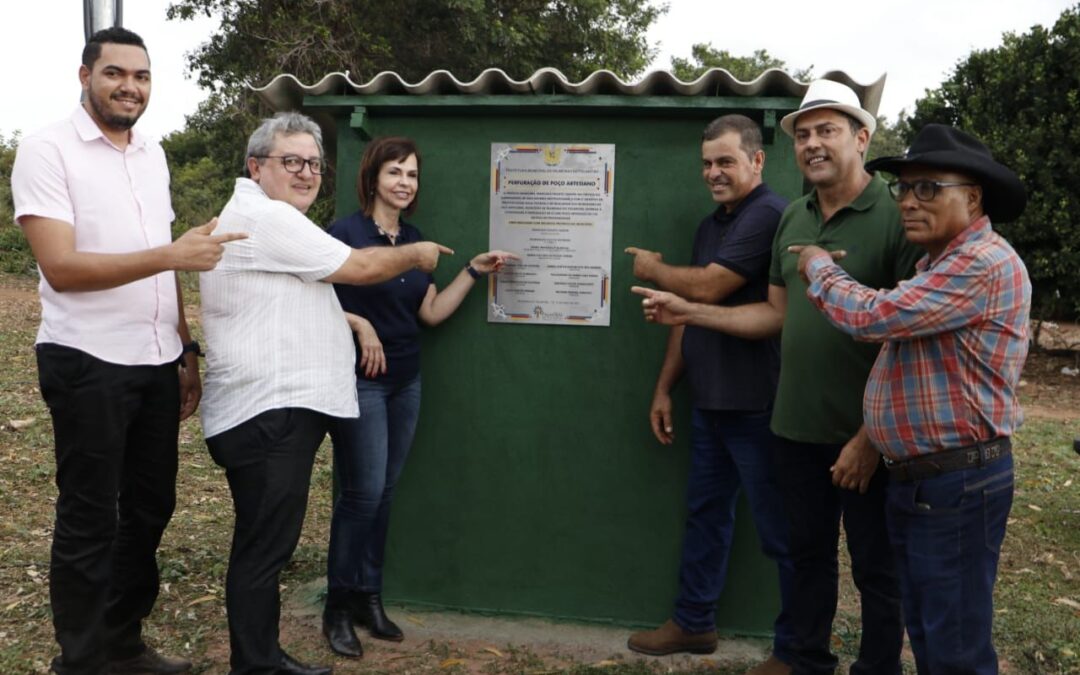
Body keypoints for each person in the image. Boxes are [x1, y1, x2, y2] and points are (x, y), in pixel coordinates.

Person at [633, 79, 922, 675]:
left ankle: (877, 667)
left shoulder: (896, 215)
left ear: (862, 138)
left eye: (828, 130)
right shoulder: (794, 217)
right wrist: (691, 313)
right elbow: (775, 315)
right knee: (809, 554)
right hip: (794, 425)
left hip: (867, 432)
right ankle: (801, 657)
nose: (814, 144)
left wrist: (870, 436)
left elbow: (909, 335)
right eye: (806, 133)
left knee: (875, 566)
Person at [10, 27, 245, 675]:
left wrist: (184, 346)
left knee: (149, 507)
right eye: (115, 73)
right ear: (84, 76)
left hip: (154, 360)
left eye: (141, 76)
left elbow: (162, 252)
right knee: (89, 516)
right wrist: (172, 254)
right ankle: (80, 661)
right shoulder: (47, 150)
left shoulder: (151, 154)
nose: (129, 87)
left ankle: (123, 642)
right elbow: (61, 267)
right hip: (85, 360)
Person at [199, 114, 452, 675]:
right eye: (292, 161)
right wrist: (416, 255)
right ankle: (258, 663)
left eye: (313, 163)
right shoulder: (269, 219)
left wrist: (356, 325)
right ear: (256, 166)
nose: (307, 173)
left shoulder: (266, 217)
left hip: (272, 410)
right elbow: (358, 268)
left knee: (267, 544)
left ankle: (259, 656)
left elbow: (306, 295)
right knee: (265, 549)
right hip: (268, 413)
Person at [792, 124, 1030, 675]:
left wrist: (818, 264)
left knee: (954, 648)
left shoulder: (981, 264)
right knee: (929, 630)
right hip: (930, 480)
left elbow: (873, 317)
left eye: (929, 188)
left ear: (971, 199)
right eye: (904, 189)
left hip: (956, 484)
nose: (909, 201)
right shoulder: (936, 266)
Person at [320, 136, 517, 657]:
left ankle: (368, 597)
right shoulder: (344, 233)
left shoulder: (415, 239)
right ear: (372, 178)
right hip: (362, 381)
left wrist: (474, 272)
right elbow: (310, 300)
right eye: (395, 173)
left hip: (407, 379)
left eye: (412, 174)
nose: (405, 182)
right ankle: (336, 608)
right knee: (360, 496)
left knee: (383, 494)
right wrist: (360, 324)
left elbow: (428, 314)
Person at [622, 115, 794, 675]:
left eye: (725, 161)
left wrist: (654, 268)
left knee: (781, 531)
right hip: (711, 403)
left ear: (756, 161)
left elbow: (707, 286)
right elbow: (684, 315)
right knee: (705, 516)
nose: (713, 173)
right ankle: (694, 622)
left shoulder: (768, 213)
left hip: (758, 406)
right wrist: (665, 386)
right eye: (707, 163)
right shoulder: (710, 224)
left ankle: (796, 649)